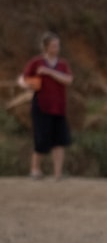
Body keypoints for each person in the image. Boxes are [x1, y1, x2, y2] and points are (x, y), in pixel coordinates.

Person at [19, 31, 73, 180]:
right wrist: (30, 85)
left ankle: (58, 173)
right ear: (46, 47)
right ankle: (35, 169)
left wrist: (49, 72)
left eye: (58, 45)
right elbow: (23, 79)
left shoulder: (62, 64)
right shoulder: (36, 62)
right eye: (53, 45)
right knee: (41, 139)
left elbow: (68, 80)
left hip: (59, 106)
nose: (57, 48)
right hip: (41, 105)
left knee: (60, 140)